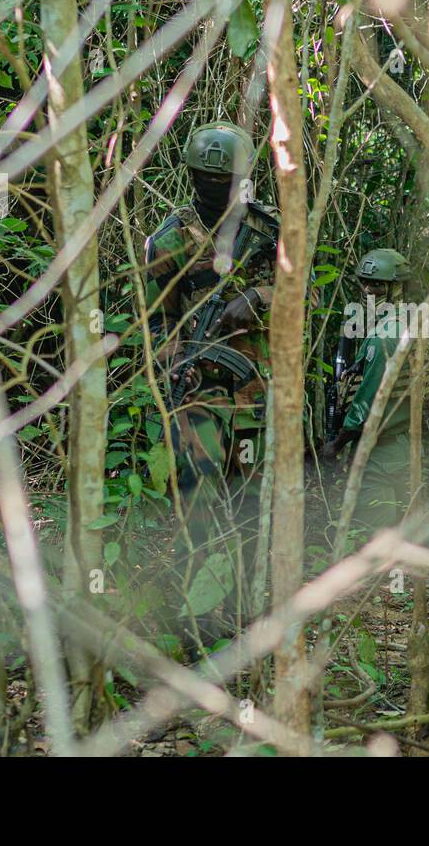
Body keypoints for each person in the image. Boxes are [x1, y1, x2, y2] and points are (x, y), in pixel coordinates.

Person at [143, 121, 278, 636]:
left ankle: (246, 609)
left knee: (249, 503)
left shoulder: (269, 231)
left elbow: (302, 297)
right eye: (203, 179)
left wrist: (254, 299)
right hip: (196, 397)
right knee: (195, 501)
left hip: (254, 395)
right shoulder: (169, 238)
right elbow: (157, 317)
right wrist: (174, 360)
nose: (211, 189)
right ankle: (193, 614)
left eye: (222, 181)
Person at [324, 249, 413, 537]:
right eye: (364, 283)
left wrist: (336, 445)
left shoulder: (382, 337)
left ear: (396, 288)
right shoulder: (407, 325)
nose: (368, 291)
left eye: (377, 285)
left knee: (369, 536)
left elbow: (365, 407)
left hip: (380, 452)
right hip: (400, 445)